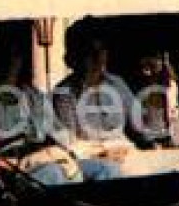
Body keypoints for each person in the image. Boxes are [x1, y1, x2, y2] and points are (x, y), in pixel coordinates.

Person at [0, 28, 78, 186]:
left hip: (42, 156)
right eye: (7, 55)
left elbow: (61, 133)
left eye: (17, 55)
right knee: (54, 173)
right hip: (9, 167)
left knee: (102, 169)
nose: (12, 60)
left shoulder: (33, 95)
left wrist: (51, 139)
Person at [52, 22, 142, 180]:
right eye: (90, 52)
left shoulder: (117, 84)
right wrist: (103, 152)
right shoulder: (64, 92)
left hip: (128, 155)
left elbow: (140, 126)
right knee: (111, 171)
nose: (97, 58)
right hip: (91, 160)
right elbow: (70, 143)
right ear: (75, 57)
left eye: (101, 50)